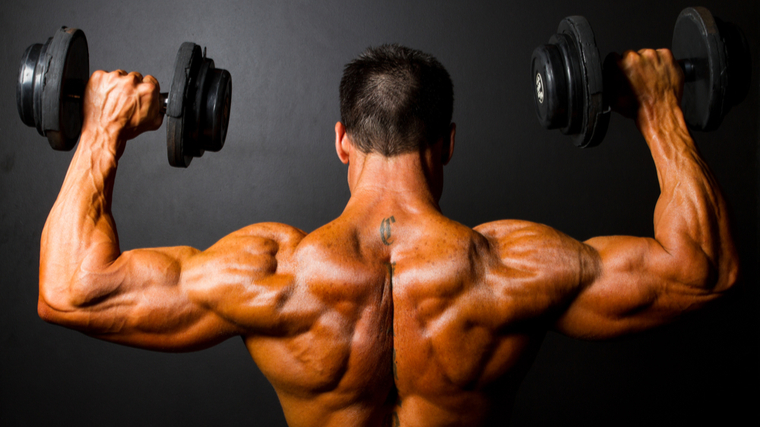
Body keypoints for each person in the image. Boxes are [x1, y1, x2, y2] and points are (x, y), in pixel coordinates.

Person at [37, 44, 737, 427]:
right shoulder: (513, 266)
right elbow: (703, 270)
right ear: (449, 143)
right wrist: (658, 107)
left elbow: (71, 291)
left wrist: (102, 129)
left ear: (343, 141)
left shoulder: (274, 275)